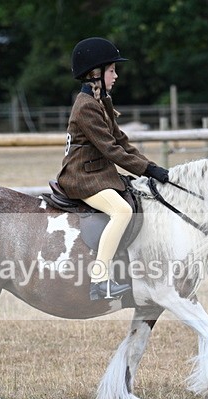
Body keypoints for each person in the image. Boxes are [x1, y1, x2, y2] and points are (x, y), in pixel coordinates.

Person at [56, 37, 170, 300]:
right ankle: (100, 280)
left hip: (97, 173)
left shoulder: (100, 100)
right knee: (122, 210)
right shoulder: (85, 107)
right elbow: (111, 150)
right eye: (111, 70)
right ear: (95, 73)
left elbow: (121, 141)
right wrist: (147, 170)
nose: (116, 76)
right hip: (81, 177)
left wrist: (150, 167)